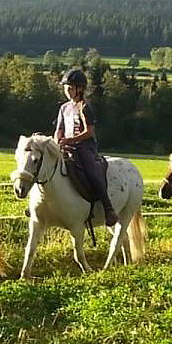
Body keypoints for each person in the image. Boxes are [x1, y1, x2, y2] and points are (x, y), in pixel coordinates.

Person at [54, 68, 118, 228]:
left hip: (84, 147)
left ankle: (108, 208)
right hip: (66, 146)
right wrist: (56, 141)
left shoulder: (84, 107)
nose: (67, 91)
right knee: (46, 166)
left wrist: (71, 140)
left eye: (70, 88)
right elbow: (59, 129)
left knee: (92, 172)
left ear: (79, 89)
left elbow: (89, 132)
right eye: (66, 88)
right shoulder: (64, 108)